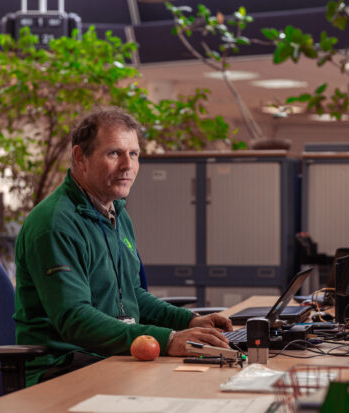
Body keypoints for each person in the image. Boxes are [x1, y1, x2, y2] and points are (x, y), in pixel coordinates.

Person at [14, 107, 232, 386]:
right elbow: (74, 319)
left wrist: (188, 321)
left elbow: (131, 294)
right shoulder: (55, 224)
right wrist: (169, 339)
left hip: (112, 356)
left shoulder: (116, 213)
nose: (127, 165)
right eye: (114, 153)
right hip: (62, 367)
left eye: (134, 154)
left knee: (206, 383)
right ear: (80, 157)